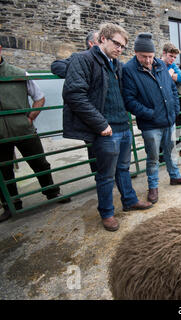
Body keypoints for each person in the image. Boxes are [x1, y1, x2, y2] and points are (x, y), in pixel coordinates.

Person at [62, 23, 152, 232]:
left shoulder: (117, 65)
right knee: (105, 175)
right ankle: (107, 213)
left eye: (123, 47)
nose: (120, 49)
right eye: (117, 44)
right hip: (105, 129)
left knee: (123, 168)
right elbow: (74, 94)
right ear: (103, 38)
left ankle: (129, 200)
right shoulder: (83, 60)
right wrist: (100, 124)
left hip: (123, 126)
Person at [0, 45, 70, 223]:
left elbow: (39, 97)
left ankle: (52, 192)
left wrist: (29, 118)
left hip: (23, 129)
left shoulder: (19, 73)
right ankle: (11, 204)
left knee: (39, 162)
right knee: (3, 170)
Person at [122, 33, 181, 206]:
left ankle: (175, 176)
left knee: (171, 151)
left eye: (150, 56)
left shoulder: (161, 64)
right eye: (143, 57)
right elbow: (129, 100)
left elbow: (172, 89)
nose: (148, 60)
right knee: (153, 156)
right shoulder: (129, 70)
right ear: (135, 53)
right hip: (150, 124)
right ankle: (153, 186)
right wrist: (150, 113)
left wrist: (175, 110)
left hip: (169, 120)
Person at [51, 31, 100, 173]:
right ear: (91, 43)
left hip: (105, 110)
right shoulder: (79, 58)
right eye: (99, 40)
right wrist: (81, 71)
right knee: (94, 147)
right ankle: (99, 176)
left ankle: (116, 173)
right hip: (88, 111)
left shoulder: (106, 59)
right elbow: (56, 66)